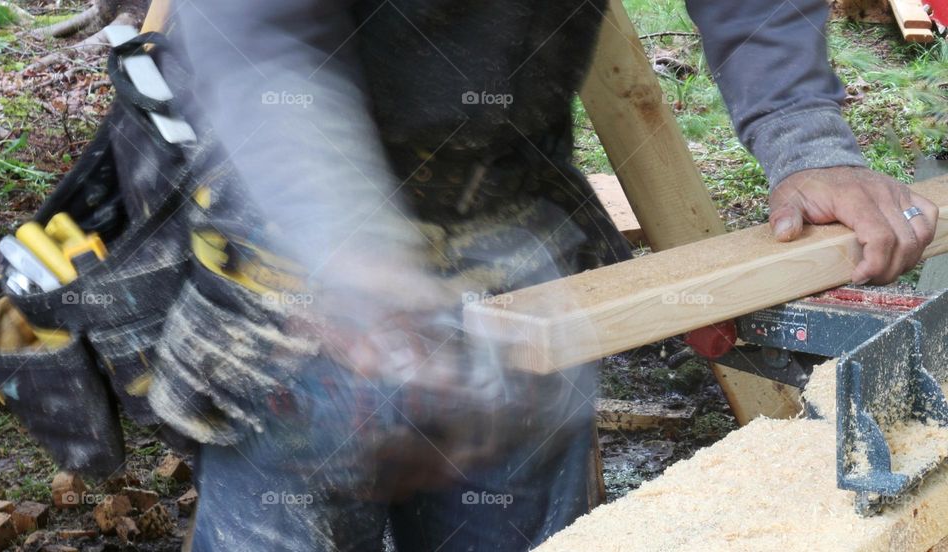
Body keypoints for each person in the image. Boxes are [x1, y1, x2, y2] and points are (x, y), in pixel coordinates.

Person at [149, 1, 938, 550]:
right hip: (292, 235)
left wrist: (807, 138)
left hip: (514, 225)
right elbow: (259, 37)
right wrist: (351, 257)